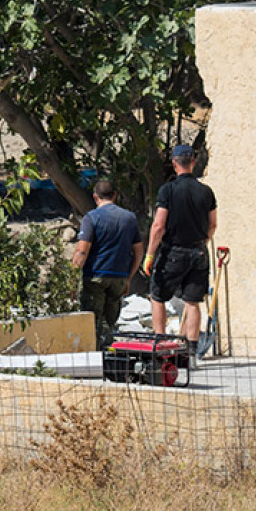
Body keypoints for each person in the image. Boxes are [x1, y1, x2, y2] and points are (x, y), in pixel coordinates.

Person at [143, 144, 218, 357]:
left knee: (157, 296)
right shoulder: (206, 192)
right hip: (199, 252)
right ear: (193, 162)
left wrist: (150, 254)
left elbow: (158, 225)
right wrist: (203, 241)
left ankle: (160, 343)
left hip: (173, 252)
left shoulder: (168, 190)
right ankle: (191, 351)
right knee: (192, 302)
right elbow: (212, 225)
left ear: (175, 163)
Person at [71, 180, 144, 349]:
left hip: (96, 276)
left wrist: (72, 280)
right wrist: (128, 278)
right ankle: (108, 355)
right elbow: (138, 252)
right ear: (115, 196)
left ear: (96, 197)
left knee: (92, 322)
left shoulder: (91, 218)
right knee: (109, 323)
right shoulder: (129, 218)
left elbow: (82, 251)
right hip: (118, 278)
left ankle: (94, 358)